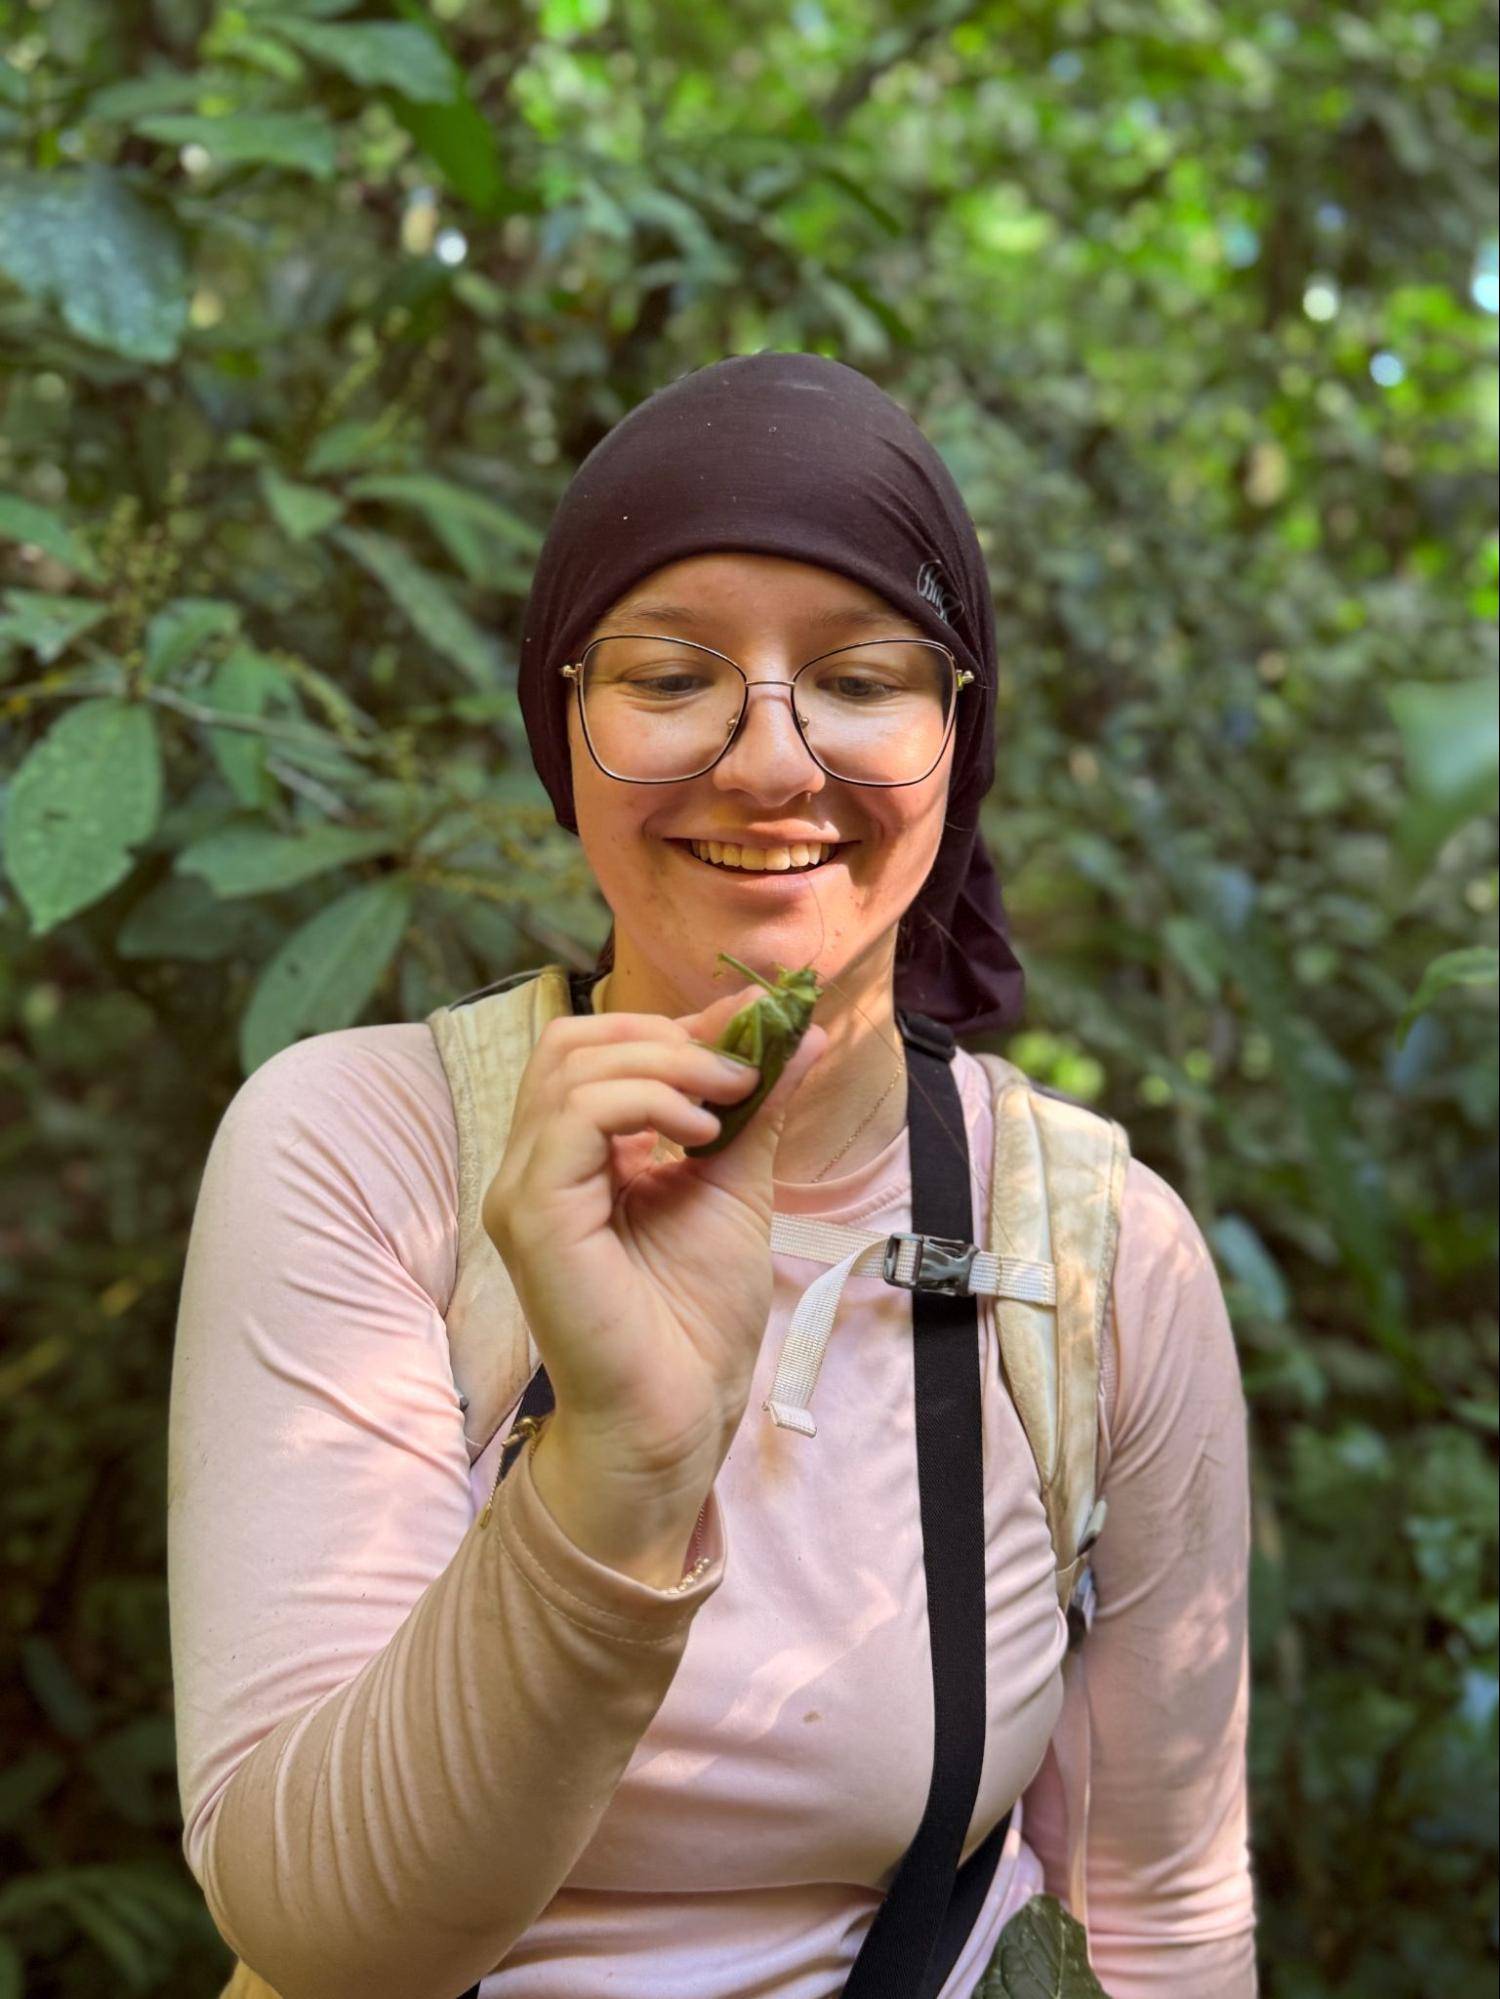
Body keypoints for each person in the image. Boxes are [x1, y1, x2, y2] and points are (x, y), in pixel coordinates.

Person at [167, 353, 1258, 1998]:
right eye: (671, 677)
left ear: (957, 740)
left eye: (862, 679)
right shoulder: (362, 1148)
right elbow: (317, 1935)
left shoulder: (1095, 1248)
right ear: (565, 729)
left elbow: (1159, 1915)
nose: (770, 763)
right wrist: (623, 1460)